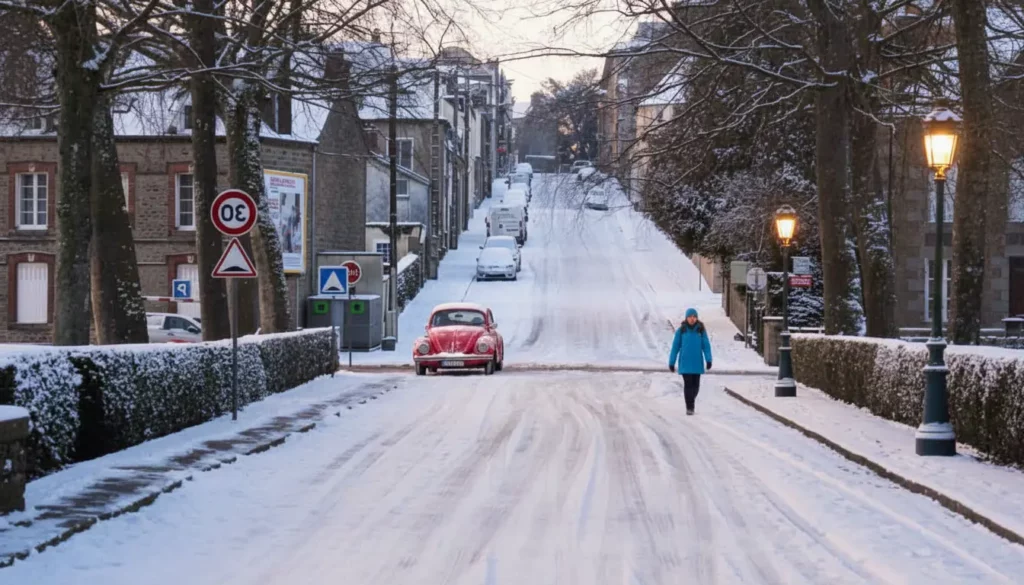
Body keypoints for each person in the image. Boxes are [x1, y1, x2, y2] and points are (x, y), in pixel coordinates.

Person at [668, 308, 713, 415]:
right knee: (688, 385)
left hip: (697, 363)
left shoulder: (701, 330)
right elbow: (675, 347)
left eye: (694, 317)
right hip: (685, 363)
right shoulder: (681, 331)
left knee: (696, 387)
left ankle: (690, 400)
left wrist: (709, 359)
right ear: (686, 318)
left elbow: (706, 346)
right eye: (690, 317)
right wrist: (671, 362)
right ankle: (690, 407)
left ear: (696, 318)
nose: (692, 319)